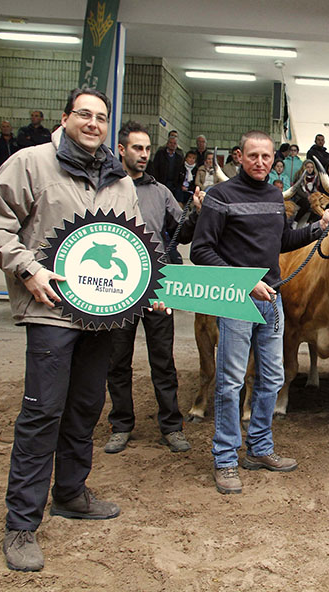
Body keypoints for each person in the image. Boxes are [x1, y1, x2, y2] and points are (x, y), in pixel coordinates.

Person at [0, 87, 149, 572]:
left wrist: (148, 291)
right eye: (84, 114)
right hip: (51, 311)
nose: (93, 123)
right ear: (65, 117)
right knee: (42, 412)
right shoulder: (31, 163)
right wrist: (27, 268)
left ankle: (70, 492)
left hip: (101, 314)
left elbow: (132, 247)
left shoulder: (120, 179)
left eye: (101, 117)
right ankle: (21, 523)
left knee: (88, 406)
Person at [190, 130, 329, 495]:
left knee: (272, 378)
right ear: (239, 157)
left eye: (267, 157)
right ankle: (225, 459)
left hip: (271, 298)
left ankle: (259, 448)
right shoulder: (219, 197)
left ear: (275, 160)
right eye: (253, 156)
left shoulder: (276, 198)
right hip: (237, 299)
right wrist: (243, 282)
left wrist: (318, 228)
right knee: (230, 382)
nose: (260, 162)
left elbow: (282, 242)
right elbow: (201, 250)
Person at [105, 122, 200, 455]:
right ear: (121, 150)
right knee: (117, 360)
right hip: (117, 289)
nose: (143, 155)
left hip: (158, 287)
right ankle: (121, 424)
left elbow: (183, 233)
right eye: (137, 148)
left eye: (147, 149)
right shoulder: (104, 188)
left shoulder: (161, 192)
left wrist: (196, 213)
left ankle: (171, 427)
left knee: (163, 360)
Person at [147, 135, 185, 202]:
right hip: (161, 182)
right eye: (170, 143)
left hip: (173, 184)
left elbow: (181, 172)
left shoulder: (179, 158)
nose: (172, 145)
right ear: (167, 144)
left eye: (174, 143)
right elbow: (155, 168)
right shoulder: (160, 154)